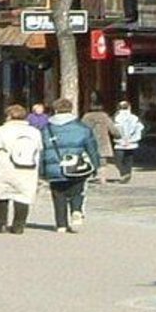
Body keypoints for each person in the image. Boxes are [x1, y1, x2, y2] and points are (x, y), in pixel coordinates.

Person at [38, 98, 100, 233]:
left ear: (55, 110)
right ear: (71, 109)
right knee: (77, 191)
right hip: (76, 165)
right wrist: (95, 165)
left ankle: (61, 224)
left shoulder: (46, 129)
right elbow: (91, 148)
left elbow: (41, 151)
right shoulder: (82, 128)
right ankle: (76, 210)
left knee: (58, 195)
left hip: (54, 167)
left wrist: (41, 170)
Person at [0, 105, 41, 234]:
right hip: (28, 167)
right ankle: (19, 225)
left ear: (9, 116)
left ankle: (1, 224)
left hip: (5, 166)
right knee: (23, 196)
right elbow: (39, 148)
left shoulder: (2, 130)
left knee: (2, 194)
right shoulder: (34, 131)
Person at [79, 96, 116, 183]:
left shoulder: (86, 117)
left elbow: (81, 128)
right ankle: (102, 178)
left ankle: (89, 175)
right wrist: (118, 135)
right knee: (103, 162)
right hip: (103, 141)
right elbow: (113, 129)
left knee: (88, 159)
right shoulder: (104, 116)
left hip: (89, 141)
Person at [111, 100, 145, 183]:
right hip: (132, 143)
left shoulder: (115, 117)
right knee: (128, 160)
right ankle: (127, 174)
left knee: (118, 160)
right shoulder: (135, 118)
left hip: (119, 142)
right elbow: (140, 128)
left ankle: (124, 174)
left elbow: (113, 130)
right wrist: (134, 138)